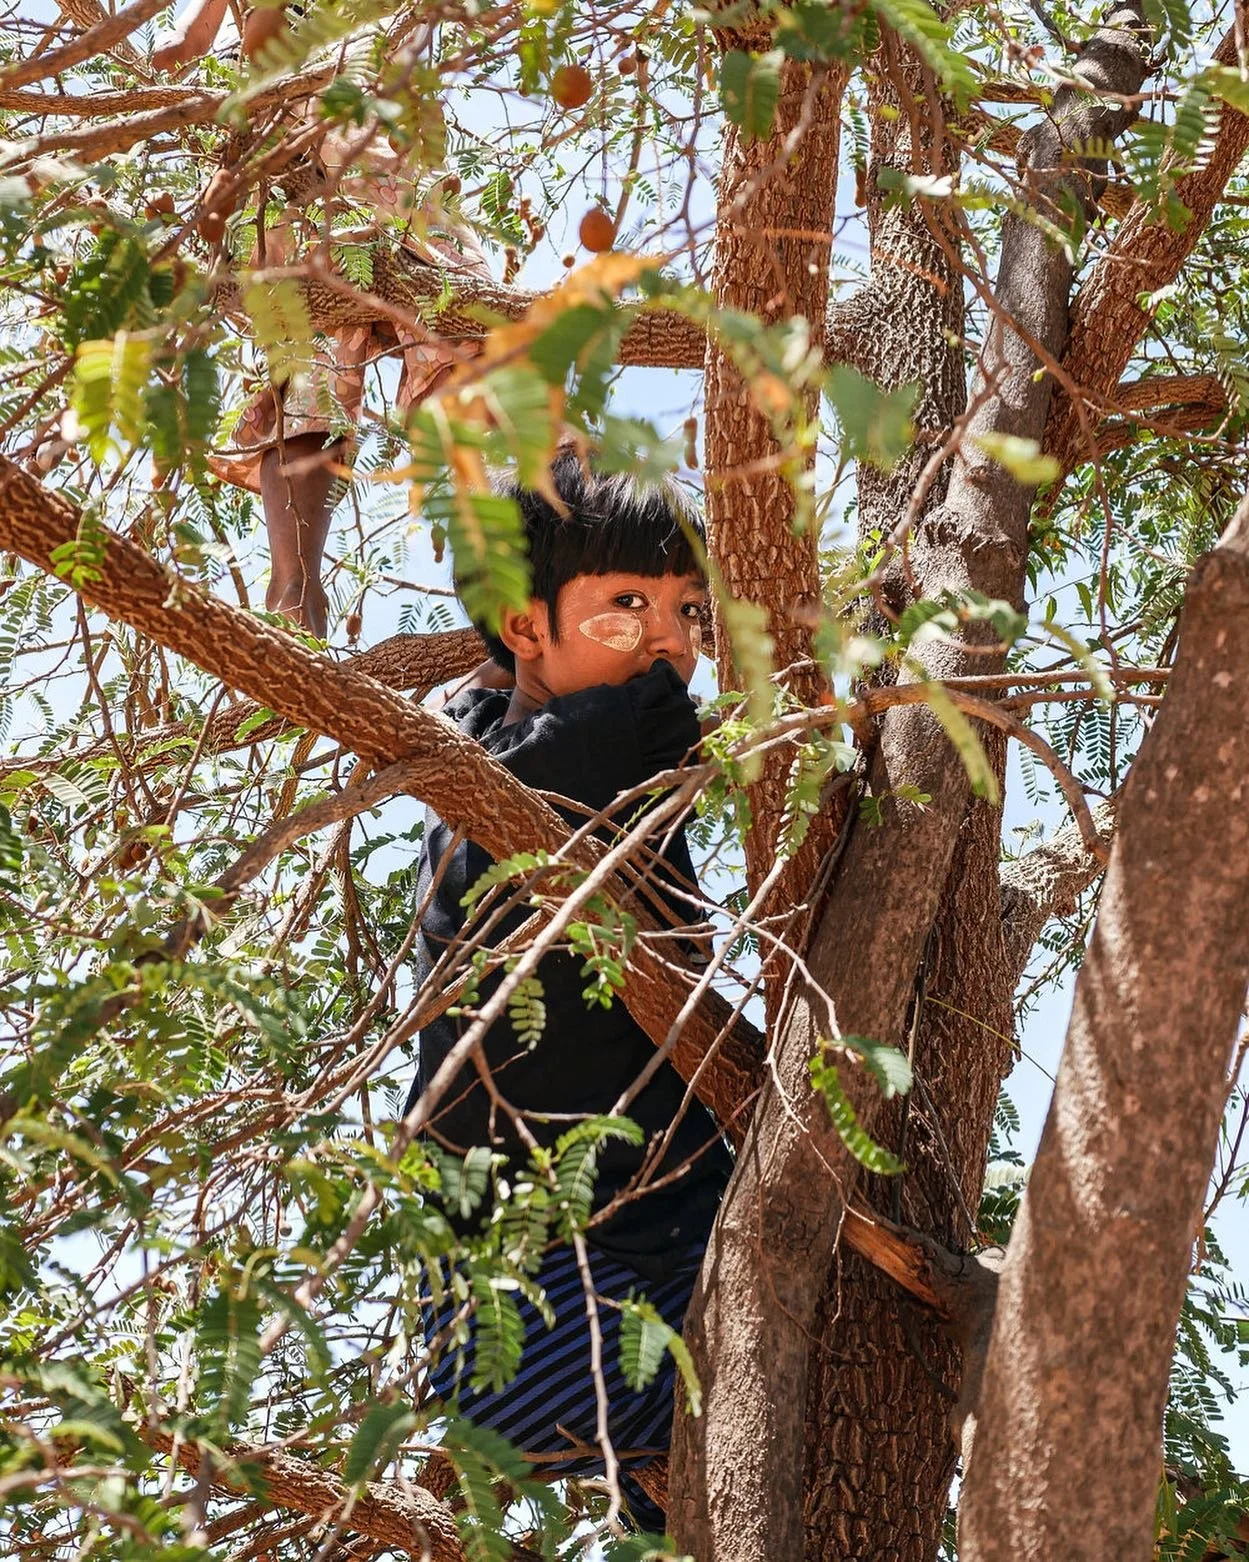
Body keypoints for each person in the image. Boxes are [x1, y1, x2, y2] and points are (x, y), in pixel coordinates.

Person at [407, 453, 731, 1532]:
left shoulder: (621, 763)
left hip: (657, 1246)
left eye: (688, 609)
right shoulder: (491, 767)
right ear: (525, 626)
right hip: (533, 1292)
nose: (671, 641)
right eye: (626, 605)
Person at [153, 0, 491, 638]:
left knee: (457, 334)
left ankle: (533, 579)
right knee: (320, 372)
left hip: (361, 132)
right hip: (292, 147)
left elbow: (409, 45)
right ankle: (298, 597)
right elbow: (192, 44)